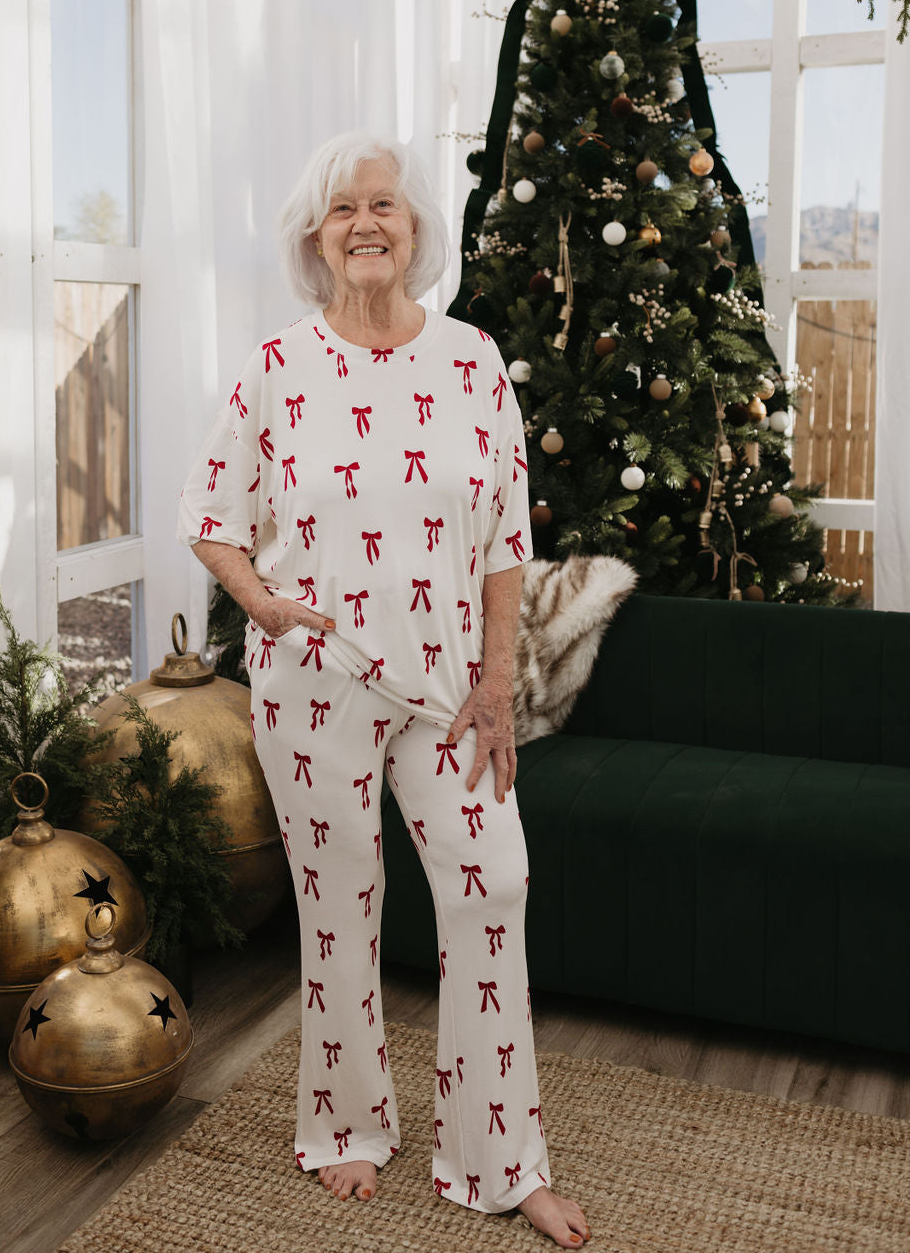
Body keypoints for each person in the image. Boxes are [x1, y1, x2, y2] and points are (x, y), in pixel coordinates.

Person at [178, 131, 591, 1248]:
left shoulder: (472, 362)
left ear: (415, 231)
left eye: (386, 206)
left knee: (490, 881)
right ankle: (347, 1123)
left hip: (446, 686)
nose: (366, 222)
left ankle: (499, 1158)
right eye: (343, 209)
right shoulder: (274, 368)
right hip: (312, 684)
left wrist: (497, 683)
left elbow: (506, 541)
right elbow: (212, 520)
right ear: (315, 240)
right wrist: (260, 603)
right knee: (341, 903)